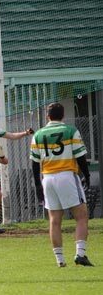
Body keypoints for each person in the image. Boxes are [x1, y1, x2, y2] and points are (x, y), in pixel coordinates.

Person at [30, 102, 93, 267]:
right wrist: (86, 175)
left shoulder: (38, 134)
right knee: (81, 216)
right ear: (63, 115)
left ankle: (60, 259)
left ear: (47, 116)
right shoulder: (70, 130)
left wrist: (38, 185)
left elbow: (35, 164)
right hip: (66, 175)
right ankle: (80, 254)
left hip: (48, 178)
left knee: (54, 219)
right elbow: (80, 156)